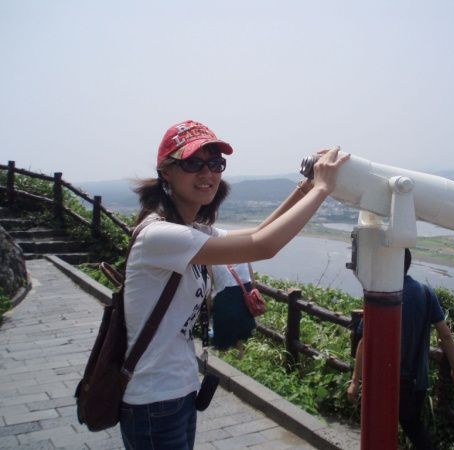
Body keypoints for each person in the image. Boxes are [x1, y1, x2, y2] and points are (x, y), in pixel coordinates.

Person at [119, 119, 348, 450]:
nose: (207, 173)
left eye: (215, 163)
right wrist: (323, 189)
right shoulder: (160, 235)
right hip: (153, 401)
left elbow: (259, 232)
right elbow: (263, 246)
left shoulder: (190, 229)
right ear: (166, 171)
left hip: (177, 392)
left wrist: (308, 185)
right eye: (193, 163)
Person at [346, 248, 454, 450]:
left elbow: (365, 341)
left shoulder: (383, 294)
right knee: (412, 425)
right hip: (416, 379)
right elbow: (446, 335)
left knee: (383, 427)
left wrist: (355, 381)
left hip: (383, 378)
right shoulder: (425, 292)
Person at [209, 262, 257, 355]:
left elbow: (208, 285)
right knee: (241, 329)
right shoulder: (244, 255)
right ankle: (240, 353)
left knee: (224, 334)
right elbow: (253, 282)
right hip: (244, 293)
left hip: (224, 296)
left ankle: (226, 354)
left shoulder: (212, 259)